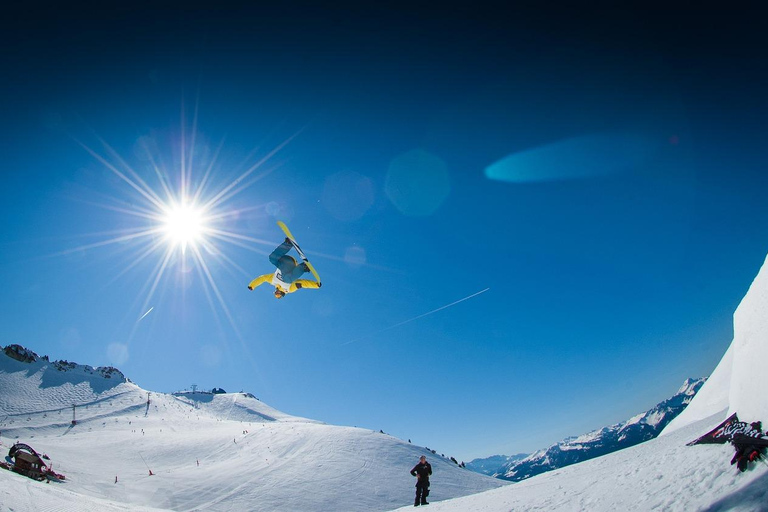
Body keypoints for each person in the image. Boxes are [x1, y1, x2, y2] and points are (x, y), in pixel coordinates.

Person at [248, 238, 321, 298]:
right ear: (282, 295)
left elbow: (262, 278)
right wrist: (315, 285)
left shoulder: (272, 280)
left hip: (283, 261)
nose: (276, 293)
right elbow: (302, 283)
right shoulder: (289, 289)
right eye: (278, 295)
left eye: (275, 294)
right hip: (292, 266)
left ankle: (287, 244)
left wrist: (252, 285)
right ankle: (304, 267)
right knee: (286, 279)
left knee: (272, 258)